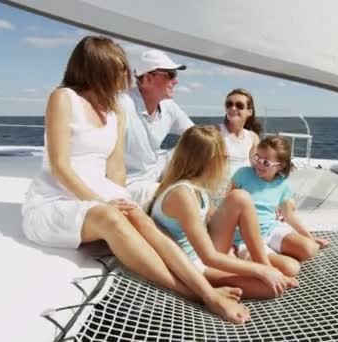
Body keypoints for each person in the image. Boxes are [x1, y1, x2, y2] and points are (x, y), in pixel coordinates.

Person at [21, 36, 249, 324]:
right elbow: (59, 166)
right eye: (118, 69)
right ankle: (200, 294)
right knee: (111, 217)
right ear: (97, 69)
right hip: (56, 198)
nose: (126, 77)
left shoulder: (114, 110)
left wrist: (125, 202)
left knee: (143, 220)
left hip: (100, 194)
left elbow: (116, 170)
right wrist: (104, 202)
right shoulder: (63, 98)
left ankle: (203, 282)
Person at [149, 126, 298, 299]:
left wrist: (261, 267)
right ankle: (255, 264)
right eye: (224, 156)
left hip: (205, 250)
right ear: (209, 161)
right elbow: (208, 258)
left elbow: (204, 225)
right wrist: (261, 272)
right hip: (194, 265)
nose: (226, 162)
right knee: (269, 288)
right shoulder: (182, 195)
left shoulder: (198, 186)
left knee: (240, 197)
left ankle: (259, 261)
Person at [232, 136, 330, 276]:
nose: (259, 164)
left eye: (266, 162)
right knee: (291, 269)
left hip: (270, 230)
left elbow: (289, 215)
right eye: (257, 157)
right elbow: (227, 207)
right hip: (245, 237)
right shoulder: (243, 174)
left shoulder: (281, 184)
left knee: (310, 249)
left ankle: (273, 255)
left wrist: (310, 237)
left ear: (280, 166)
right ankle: (266, 257)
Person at [118, 49, 194, 208]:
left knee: (199, 145)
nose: (175, 81)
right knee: (183, 198)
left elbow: (194, 135)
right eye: (170, 75)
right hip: (131, 182)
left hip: (156, 172)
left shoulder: (168, 106)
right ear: (146, 79)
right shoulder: (122, 105)